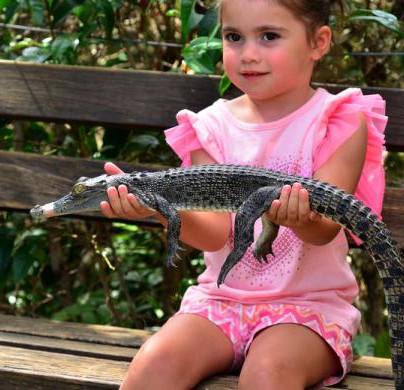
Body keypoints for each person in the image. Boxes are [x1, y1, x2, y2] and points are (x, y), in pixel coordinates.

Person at [100, 0, 387, 388]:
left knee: (267, 373)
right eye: (234, 37)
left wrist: (304, 219)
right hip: (220, 303)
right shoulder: (209, 128)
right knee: (155, 362)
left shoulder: (338, 119)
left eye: (269, 36)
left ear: (318, 42)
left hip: (306, 311)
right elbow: (217, 233)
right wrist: (158, 209)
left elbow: (327, 230)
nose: (248, 54)